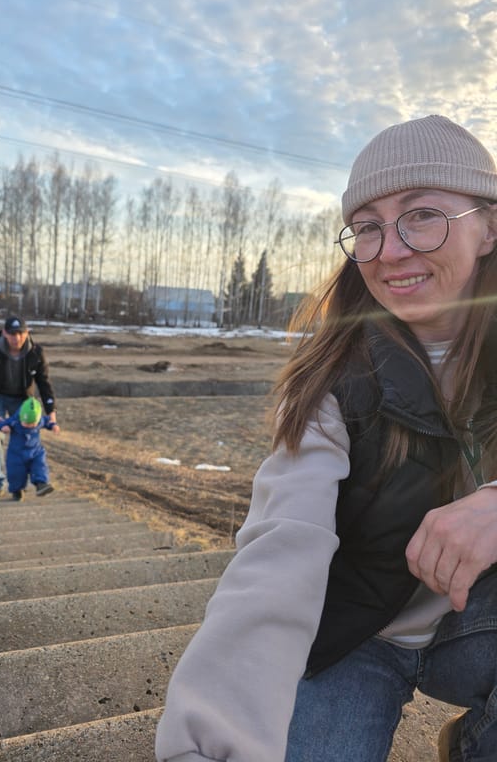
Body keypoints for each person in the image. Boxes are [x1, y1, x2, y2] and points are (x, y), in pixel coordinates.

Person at [154, 115, 497, 762]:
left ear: (489, 226)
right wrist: (207, 741)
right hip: (354, 634)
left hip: (474, 622)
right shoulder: (333, 384)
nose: (390, 250)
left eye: (422, 214)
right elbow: (280, 550)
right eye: (367, 227)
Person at [0, 315, 57, 498]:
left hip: (22, 400)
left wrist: (51, 411)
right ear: (4, 333)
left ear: (27, 333)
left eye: (20, 333)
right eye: (12, 334)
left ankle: (23, 484)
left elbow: (44, 383)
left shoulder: (36, 353)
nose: (17, 338)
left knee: (26, 438)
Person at [0, 396, 60, 501]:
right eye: (26, 423)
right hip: (17, 454)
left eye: (32, 424)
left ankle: (41, 485)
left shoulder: (40, 421)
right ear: (21, 416)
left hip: (35, 451)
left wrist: (53, 425)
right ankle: (17, 491)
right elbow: (2, 423)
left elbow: (47, 421)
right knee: (16, 474)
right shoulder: (15, 421)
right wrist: (3, 427)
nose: (29, 426)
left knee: (40, 466)